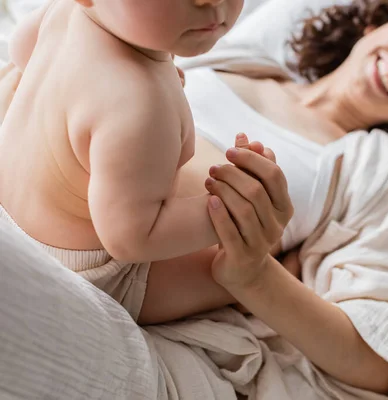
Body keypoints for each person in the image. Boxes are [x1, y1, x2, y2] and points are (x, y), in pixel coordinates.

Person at [0, 0, 388, 396]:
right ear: (376, 24)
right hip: (54, 192)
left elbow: (383, 365)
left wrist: (255, 275)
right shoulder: (223, 53)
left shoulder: (378, 168)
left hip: (125, 260)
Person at [0, 0, 293, 321]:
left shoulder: (64, 12)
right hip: (78, 270)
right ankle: (276, 274)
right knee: (232, 268)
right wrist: (232, 211)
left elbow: (20, 52)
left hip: (9, 209)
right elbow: (133, 237)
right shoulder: (139, 105)